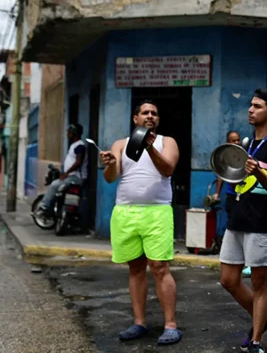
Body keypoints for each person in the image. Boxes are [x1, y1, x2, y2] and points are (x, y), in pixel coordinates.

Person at [100, 101, 182, 346]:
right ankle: (139, 322)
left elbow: (167, 169)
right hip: (125, 213)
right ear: (135, 118)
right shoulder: (120, 144)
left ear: (157, 120)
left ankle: (170, 325)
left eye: (154, 113)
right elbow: (110, 178)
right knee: (135, 269)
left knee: (159, 267)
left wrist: (149, 148)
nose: (150, 116)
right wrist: (111, 163)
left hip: (157, 212)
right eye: (145, 113)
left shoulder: (167, 142)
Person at [219, 88, 267, 353]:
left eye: (257, 106)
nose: (250, 109)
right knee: (228, 279)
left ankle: (257, 340)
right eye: (250, 105)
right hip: (238, 218)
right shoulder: (248, 142)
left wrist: (258, 172)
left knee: (259, 284)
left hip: (263, 221)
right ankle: (266, 319)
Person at [37, 123, 88, 215]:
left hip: (76, 177)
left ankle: (44, 206)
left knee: (54, 185)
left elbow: (78, 162)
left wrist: (66, 173)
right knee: (60, 192)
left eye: (70, 133)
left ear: (74, 133)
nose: (68, 135)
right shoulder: (75, 145)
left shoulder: (80, 146)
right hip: (72, 176)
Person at [215, 130, 241, 199]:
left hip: (244, 192)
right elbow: (221, 175)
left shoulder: (244, 154)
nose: (237, 143)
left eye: (238, 140)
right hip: (232, 193)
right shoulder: (225, 157)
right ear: (228, 142)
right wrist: (217, 193)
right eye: (234, 141)